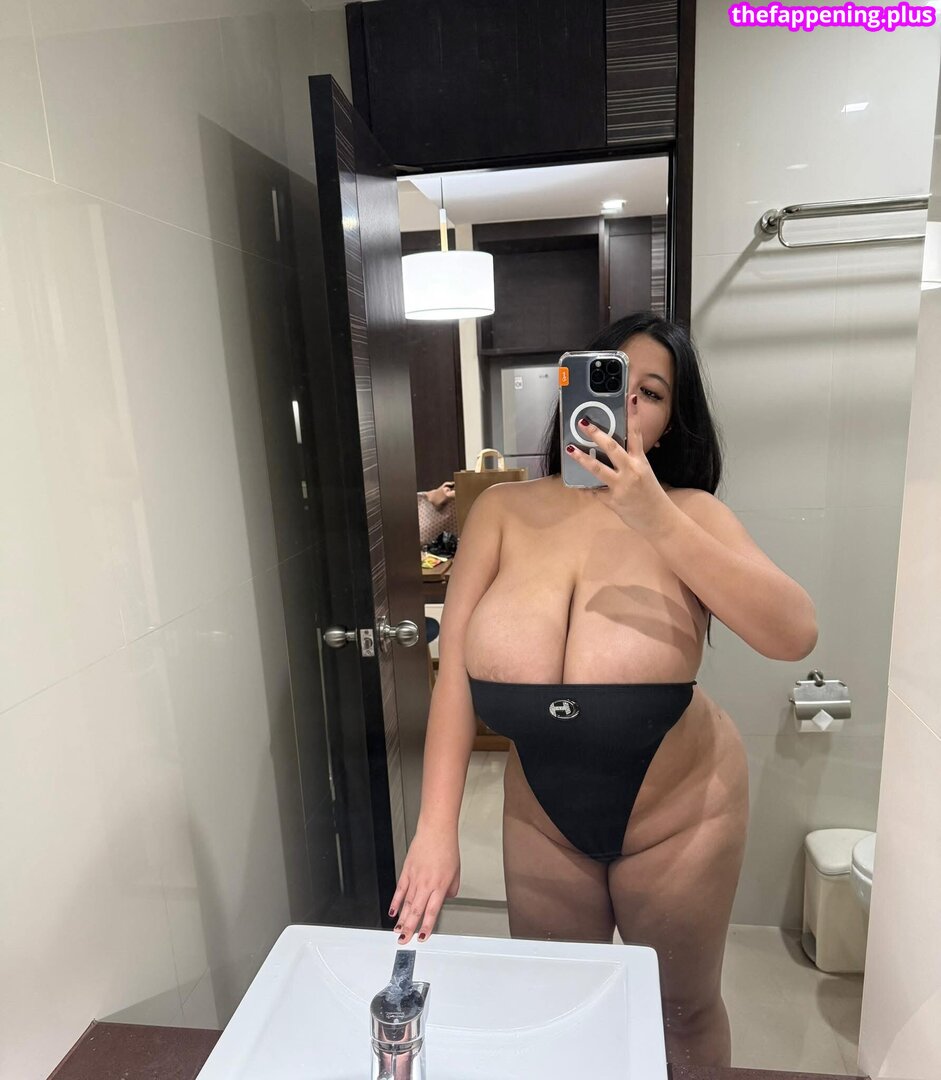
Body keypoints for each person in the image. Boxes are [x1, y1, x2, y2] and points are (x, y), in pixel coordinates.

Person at [389, 312, 818, 1067]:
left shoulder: (692, 514)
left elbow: (793, 633)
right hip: (542, 818)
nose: (626, 405)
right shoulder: (501, 512)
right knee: (557, 1005)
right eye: (613, 380)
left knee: (681, 1011)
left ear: (670, 420)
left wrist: (657, 517)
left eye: (650, 393)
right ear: (571, 390)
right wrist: (435, 827)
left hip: (681, 814)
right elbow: (452, 672)